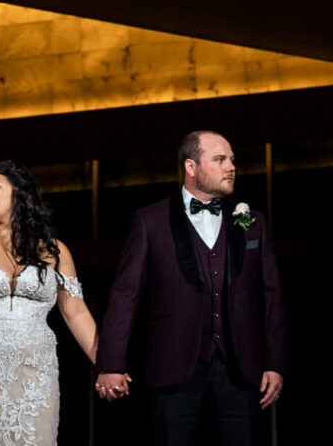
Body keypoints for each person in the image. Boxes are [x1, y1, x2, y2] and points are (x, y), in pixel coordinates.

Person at [94, 129, 286, 445]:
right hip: (173, 365)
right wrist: (111, 363)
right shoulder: (150, 221)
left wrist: (275, 363)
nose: (231, 167)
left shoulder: (253, 222)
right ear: (191, 167)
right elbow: (125, 296)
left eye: (232, 160)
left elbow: (271, 296)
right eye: (220, 159)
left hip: (241, 368)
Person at [0, 160, 99, 445]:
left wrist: (108, 363)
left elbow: (75, 311)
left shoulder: (53, 250)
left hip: (35, 375)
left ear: (20, 195)